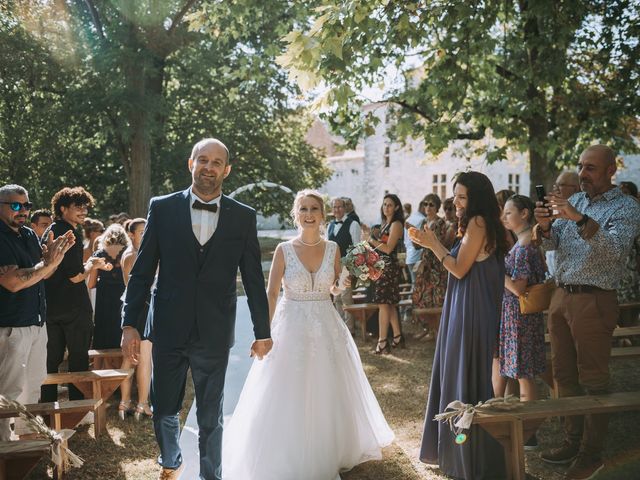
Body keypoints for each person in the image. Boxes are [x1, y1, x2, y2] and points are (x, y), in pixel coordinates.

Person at [120, 138, 272, 480]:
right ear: (191, 163)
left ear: (227, 170)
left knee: (210, 415)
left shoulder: (243, 217)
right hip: (169, 327)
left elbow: (252, 278)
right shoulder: (162, 208)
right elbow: (142, 272)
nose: (209, 167)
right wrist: (130, 324)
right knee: (164, 409)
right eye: (203, 160)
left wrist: (263, 332)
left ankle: (210, 476)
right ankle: (171, 462)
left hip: (215, 331)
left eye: (217, 162)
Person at [222, 190, 394, 480]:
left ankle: (329, 446)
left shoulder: (333, 249)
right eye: (304, 208)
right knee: (287, 385)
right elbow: (272, 293)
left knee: (328, 383)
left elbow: (336, 289)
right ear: (296, 213)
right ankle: (287, 446)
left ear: (323, 213)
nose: (309, 213)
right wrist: (263, 332)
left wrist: (345, 280)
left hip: (326, 322)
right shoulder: (283, 250)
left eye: (315, 208)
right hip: (290, 325)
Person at [534, 145, 640, 480]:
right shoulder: (576, 201)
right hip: (561, 296)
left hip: (594, 300)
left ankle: (591, 455)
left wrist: (579, 219)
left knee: (593, 379)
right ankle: (571, 440)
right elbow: (553, 246)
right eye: (581, 166)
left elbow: (614, 250)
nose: (582, 174)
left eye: (591, 168)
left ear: (611, 169)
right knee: (564, 374)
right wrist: (546, 228)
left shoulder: (626, 207)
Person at [409, 171, 508, 480]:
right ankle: (462, 452)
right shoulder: (486, 224)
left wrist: (433, 243)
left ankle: (467, 457)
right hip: (467, 306)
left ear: (476, 198)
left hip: (469, 310)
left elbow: (459, 269)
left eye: (462, 196)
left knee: (462, 374)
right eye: (455, 195)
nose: (455, 201)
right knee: (462, 372)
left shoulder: (478, 223)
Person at [0, 185, 75, 440]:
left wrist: (55, 259)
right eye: (16, 205)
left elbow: (42, 273)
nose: (23, 211)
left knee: (33, 386)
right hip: (10, 327)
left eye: (26, 205)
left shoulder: (30, 235)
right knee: (7, 392)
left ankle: (26, 440)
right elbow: (13, 282)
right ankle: (4, 447)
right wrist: (47, 264)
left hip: (36, 323)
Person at [41, 187, 107, 403]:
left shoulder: (49, 230)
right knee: (78, 360)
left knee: (50, 361)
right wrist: (92, 264)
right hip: (74, 310)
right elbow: (76, 277)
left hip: (50, 308)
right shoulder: (70, 234)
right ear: (62, 208)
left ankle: (47, 407)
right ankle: (78, 408)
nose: (83, 210)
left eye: (85, 206)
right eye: (78, 206)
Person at [493, 195, 546, 448]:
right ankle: (521, 429)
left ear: (525, 214)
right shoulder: (522, 243)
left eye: (509, 212)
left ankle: (529, 432)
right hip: (516, 317)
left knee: (524, 375)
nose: (504, 217)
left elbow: (517, 287)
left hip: (520, 318)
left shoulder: (525, 246)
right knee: (518, 373)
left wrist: (497, 270)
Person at [119, 218, 153, 420]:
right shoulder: (133, 256)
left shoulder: (135, 254)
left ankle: (125, 403)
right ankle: (142, 404)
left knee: (131, 356)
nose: (146, 234)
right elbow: (137, 287)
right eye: (142, 232)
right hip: (141, 307)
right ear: (131, 234)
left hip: (135, 306)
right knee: (142, 356)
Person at [362, 193, 405, 354]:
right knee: (389, 304)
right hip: (382, 267)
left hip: (389, 269)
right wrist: (370, 237)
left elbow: (388, 248)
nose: (386, 207)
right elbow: (379, 246)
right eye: (384, 204)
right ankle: (398, 336)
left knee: (383, 304)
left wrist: (371, 240)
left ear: (397, 207)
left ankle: (382, 342)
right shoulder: (386, 224)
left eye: (389, 205)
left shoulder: (396, 224)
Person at [411, 194, 448, 340]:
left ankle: (438, 331)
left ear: (437, 207)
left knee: (437, 298)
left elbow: (438, 244)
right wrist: (414, 235)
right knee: (422, 297)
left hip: (436, 265)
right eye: (425, 204)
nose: (428, 207)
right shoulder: (422, 222)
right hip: (424, 265)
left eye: (431, 204)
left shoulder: (440, 223)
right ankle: (429, 329)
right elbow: (417, 245)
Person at [88, 224, 129, 353]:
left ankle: (104, 366)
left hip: (104, 297)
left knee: (104, 330)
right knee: (121, 328)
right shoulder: (128, 252)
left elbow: (91, 284)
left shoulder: (99, 254)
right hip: (123, 295)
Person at [327, 197, 361, 334]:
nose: (337, 210)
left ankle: (349, 329)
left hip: (346, 267)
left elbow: (357, 248)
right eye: (334, 207)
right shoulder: (329, 226)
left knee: (346, 298)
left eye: (339, 207)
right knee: (336, 298)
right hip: (332, 267)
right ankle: (340, 327)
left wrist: (352, 270)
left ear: (345, 208)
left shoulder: (353, 224)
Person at [546, 171, 581, 277]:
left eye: (560, 185)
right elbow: (549, 245)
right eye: (555, 185)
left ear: (575, 188)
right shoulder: (555, 209)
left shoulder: (582, 212)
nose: (555, 189)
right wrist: (544, 226)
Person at [404, 199, 426, 284]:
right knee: (418, 285)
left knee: (414, 283)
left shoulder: (409, 218)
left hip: (409, 256)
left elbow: (405, 240)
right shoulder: (422, 219)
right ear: (423, 207)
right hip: (418, 256)